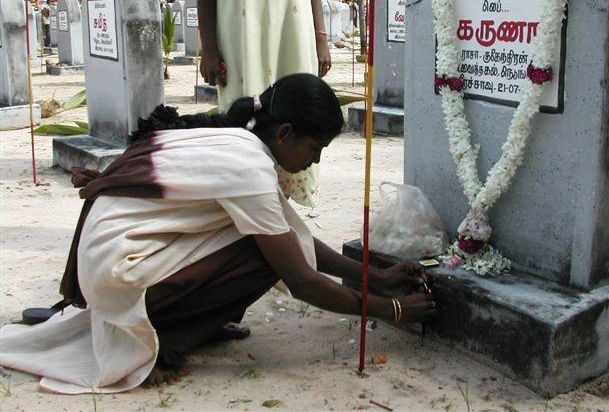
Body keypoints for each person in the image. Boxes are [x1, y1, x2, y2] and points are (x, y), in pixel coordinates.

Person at [0, 74, 437, 393]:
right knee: (265, 255)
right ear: (285, 134)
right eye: (315, 148)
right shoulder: (248, 168)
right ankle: (163, 341)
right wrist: (392, 309)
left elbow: (295, 234)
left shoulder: (239, 144)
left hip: (112, 258)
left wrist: (377, 276)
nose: (315, 161)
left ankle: (190, 322)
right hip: (117, 271)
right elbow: (302, 279)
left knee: (270, 239)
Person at [183, 0, 331, 208]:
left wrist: (321, 37)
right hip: (241, 37)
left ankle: (281, 210)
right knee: (246, 121)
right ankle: (252, 203)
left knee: (296, 116)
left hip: (293, 33)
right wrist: (210, 48)